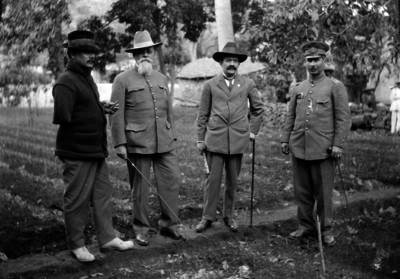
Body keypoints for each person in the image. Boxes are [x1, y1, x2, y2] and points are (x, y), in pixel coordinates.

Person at [52, 30, 134, 262]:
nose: (91, 56)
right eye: (84, 52)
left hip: (94, 150)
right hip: (77, 151)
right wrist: (93, 110)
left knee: (102, 194)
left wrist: (100, 107)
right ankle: (76, 245)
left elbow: (83, 105)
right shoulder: (65, 81)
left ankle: (107, 238)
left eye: (92, 52)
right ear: (72, 54)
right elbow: (63, 116)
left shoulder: (86, 77)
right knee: (77, 199)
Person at [109, 30, 183, 246]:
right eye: (140, 52)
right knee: (140, 189)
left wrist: (173, 134)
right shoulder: (122, 80)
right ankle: (141, 229)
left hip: (164, 142)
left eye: (148, 51)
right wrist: (120, 143)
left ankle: (169, 225)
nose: (145, 55)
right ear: (134, 55)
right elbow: (116, 114)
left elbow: (168, 110)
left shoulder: (162, 78)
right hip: (137, 143)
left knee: (172, 180)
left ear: (153, 52)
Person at [281, 41, 351, 246]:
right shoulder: (298, 88)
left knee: (323, 192)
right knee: (302, 191)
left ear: (324, 60)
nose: (312, 64)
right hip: (299, 147)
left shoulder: (334, 87)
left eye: (316, 60)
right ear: (305, 63)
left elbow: (343, 119)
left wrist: (338, 144)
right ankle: (306, 225)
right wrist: (285, 139)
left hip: (323, 149)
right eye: (309, 61)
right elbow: (290, 116)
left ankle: (326, 229)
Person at [195, 42, 265, 233]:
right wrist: (201, 139)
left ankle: (228, 215)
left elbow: (258, 110)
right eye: (228, 60)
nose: (231, 64)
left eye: (235, 60)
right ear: (221, 63)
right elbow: (203, 114)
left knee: (232, 182)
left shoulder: (247, 84)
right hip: (215, 140)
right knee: (212, 181)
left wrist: (252, 132)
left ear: (239, 64)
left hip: (237, 140)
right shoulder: (210, 85)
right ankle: (207, 217)